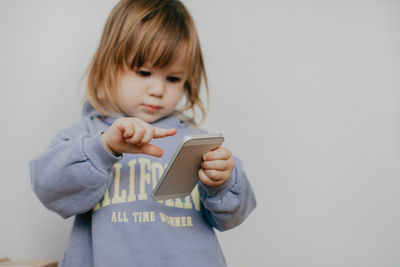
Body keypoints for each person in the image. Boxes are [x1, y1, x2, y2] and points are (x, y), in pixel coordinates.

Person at [29, 0, 256, 266]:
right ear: (108, 65)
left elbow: (233, 216)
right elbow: (48, 187)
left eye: (173, 78)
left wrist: (222, 181)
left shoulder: (197, 143)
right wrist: (104, 147)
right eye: (144, 72)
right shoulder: (88, 134)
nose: (157, 90)